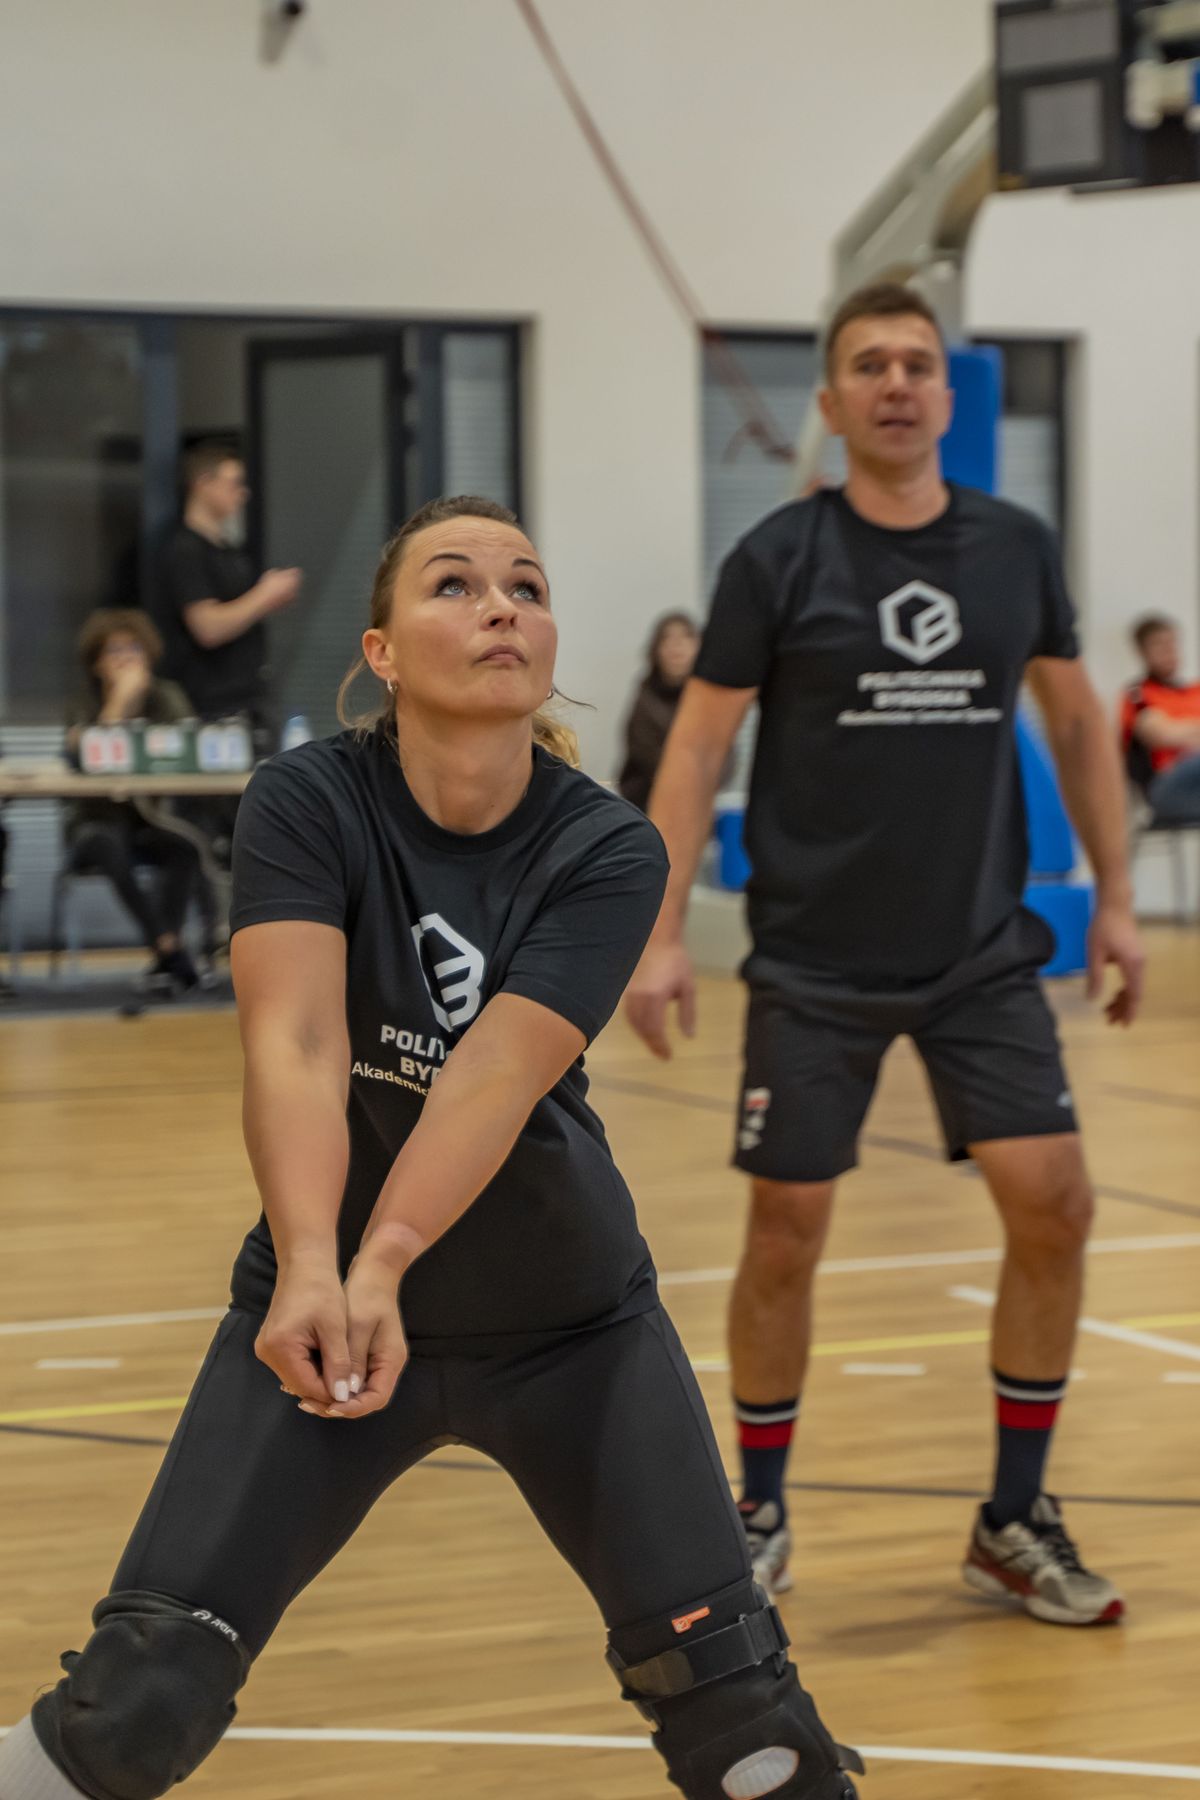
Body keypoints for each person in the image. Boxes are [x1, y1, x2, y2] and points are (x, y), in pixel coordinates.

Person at [0, 497, 860, 1800]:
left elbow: (494, 1076)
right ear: (383, 652)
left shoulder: (607, 844)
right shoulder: (306, 799)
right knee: (137, 1709)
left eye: (526, 585)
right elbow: (295, 1044)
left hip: (572, 1326)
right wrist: (313, 1264)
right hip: (323, 1322)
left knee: (751, 1739)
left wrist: (384, 1258)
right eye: (454, 584)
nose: (500, 604)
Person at [626, 282, 1144, 1628]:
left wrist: (1119, 899)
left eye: (918, 363)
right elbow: (697, 744)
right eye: (871, 365)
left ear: (947, 396)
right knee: (786, 1228)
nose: (898, 384)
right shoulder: (779, 558)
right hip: (815, 960)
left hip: (979, 951)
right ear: (833, 401)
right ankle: (756, 1513)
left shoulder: (1014, 549)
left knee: (1057, 1204)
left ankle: (1013, 1518)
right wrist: (661, 930)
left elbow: (1078, 724)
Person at [64, 609, 203, 993]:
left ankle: (167, 950)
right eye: (115, 651)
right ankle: (166, 946)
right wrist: (118, 705)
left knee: (184, 847)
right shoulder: (84, 702)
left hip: (148, 819)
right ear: (96, 663)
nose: (126, 658)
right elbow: (81, 753)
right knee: (108, 845)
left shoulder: (166, 696)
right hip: (93, 822)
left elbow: (190, 748)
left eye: (134, 648)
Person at [156, 442, 302, 751]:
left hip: (248, 702)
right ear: (203, 483)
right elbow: (207, 627)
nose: (242, 493)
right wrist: (264, 595)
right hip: (208, 710)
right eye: (234, 483)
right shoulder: (184, 550)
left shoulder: (230, 551)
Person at [617, 612, 703, 809]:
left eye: (685, 637)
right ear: (656, 649)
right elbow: (647, 756)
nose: (677, 646)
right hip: (647, 801)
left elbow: (723, 753)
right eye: (667, 638)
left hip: (699, 800)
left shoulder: (707, 698)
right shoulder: (645, 698)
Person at [1119, 613, 1200, 823]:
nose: (1168, 651)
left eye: (1172, 643)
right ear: (1142, 652)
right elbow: (1162, 735)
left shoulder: (1195, 691)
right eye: (1159, 645)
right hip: (1166, 786)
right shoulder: (1138, 694)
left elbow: (1175, 733)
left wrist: (1184, 731)